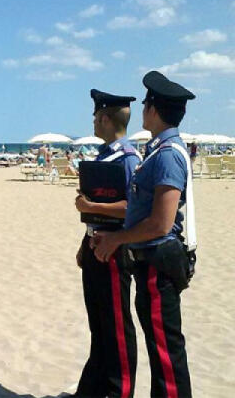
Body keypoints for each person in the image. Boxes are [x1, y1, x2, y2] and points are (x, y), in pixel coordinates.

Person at [93, 71, 196, 398]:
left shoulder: (167, 154)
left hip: (158, 263)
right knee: (160, 349)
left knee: (166, 354)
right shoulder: (158, 150)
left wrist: (116, 239)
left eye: (146, 104)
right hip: (150, 262)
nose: (143, 110)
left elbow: (160, 223)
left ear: (152, 109)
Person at [72, 89, 141, 398]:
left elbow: (134, 207)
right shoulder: (104, 156)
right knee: (99, 325)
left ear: (105, 118)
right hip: (95, 243)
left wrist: (92, 206)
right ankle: (93, 389)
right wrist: (84, 240)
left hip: (114, 247)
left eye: (95, 117)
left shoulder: (127, 159)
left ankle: (118, 390)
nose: (93, 122)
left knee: (116, 327)